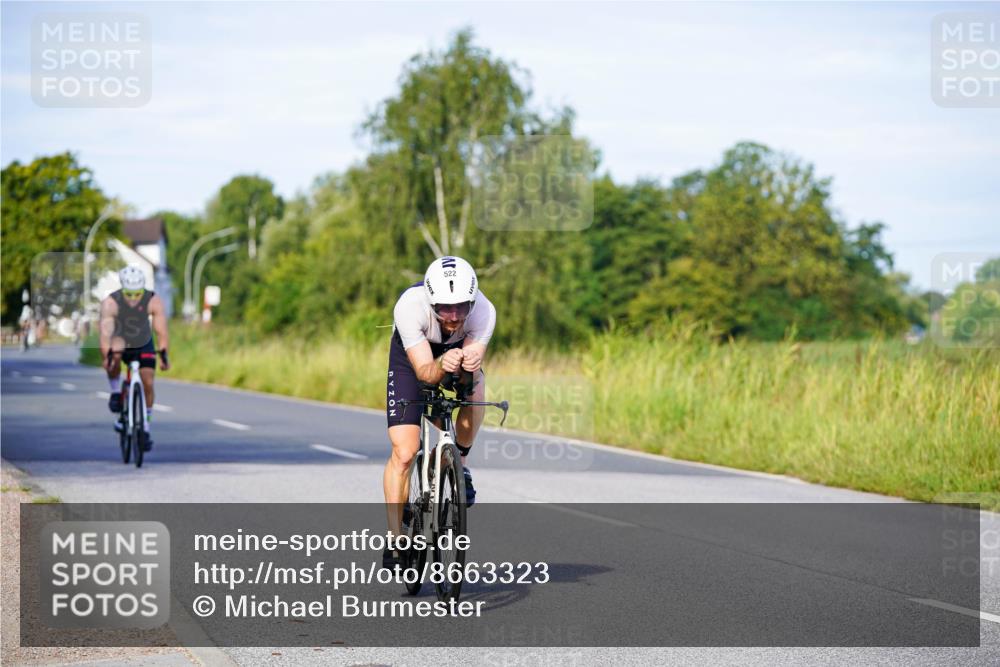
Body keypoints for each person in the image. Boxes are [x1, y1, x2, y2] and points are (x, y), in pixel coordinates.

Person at [383, 256, 496, 568]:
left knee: (476, 388)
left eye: (462, 306)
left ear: (473, 300)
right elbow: (424, 371)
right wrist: (440, 365)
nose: (454, 316)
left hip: (455, 355)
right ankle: (396, 539)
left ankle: (459, 460)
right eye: (445, 308)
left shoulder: (484, 312)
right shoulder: (410, 306)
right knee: (405, 452)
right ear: (431, 299)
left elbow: (470, 366)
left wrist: (468, 364)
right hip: (414, 360)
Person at [99, 266, 170, 450]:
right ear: (123, 289)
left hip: (143, 340)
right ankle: (116, 391)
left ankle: (145, 427)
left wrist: (163, 354)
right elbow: (105, 335)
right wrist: (106, 357)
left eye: (137, 294)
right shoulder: (111, 303)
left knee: (147, 381)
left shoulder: (153, 300)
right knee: (114, 353)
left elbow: (161, 331)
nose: (132, 299)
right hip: (120, 338)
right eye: (128, 294)